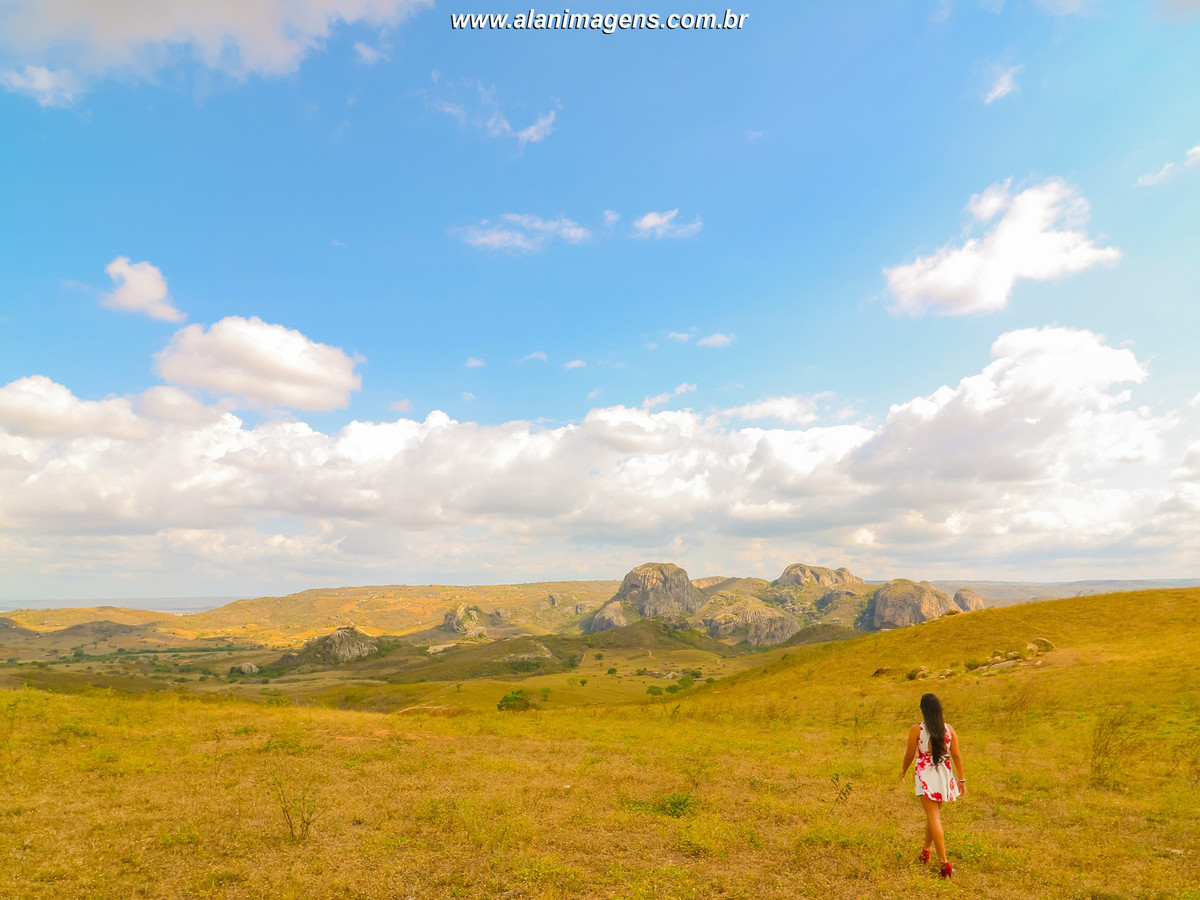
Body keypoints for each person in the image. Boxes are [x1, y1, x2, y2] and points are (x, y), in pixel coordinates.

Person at [899, 692, 965, 878]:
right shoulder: (948, 729)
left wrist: (903, 770)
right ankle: (926, 851)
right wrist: (961, 779)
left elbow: (910, 754)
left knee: (934, 817)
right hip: (944, 775)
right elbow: (957, 755)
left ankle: (944, 863)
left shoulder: (917, 730)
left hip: (926, 776)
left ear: (923, 710)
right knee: (933, 816)